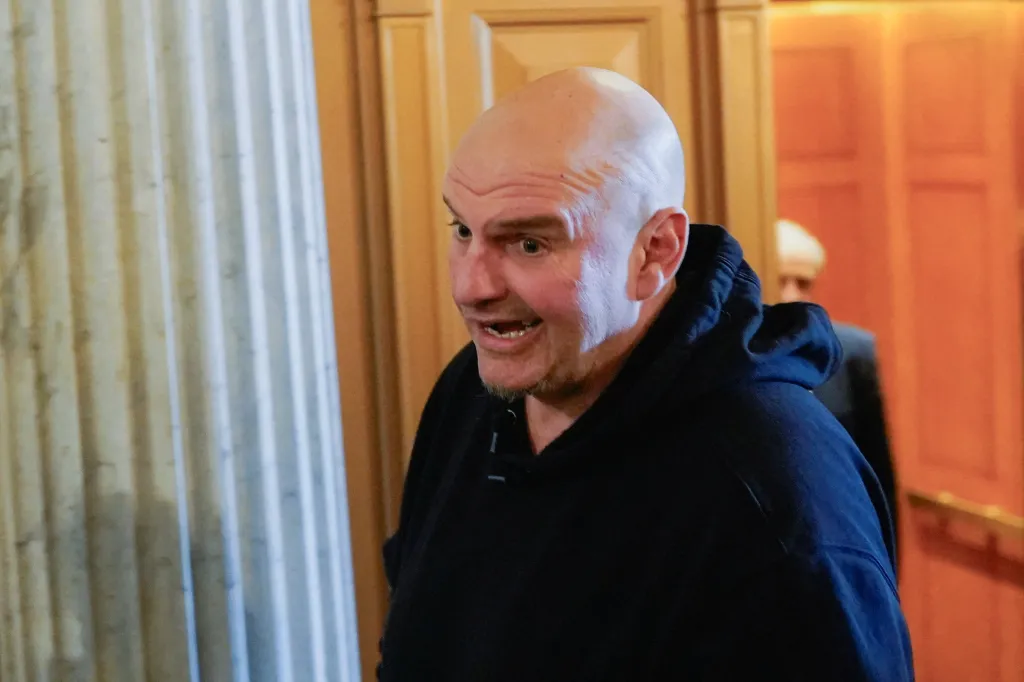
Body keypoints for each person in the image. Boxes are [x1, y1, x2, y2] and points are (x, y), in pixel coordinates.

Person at [377, 68, 913, 681]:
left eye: (529, 244)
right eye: (463, 230)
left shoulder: (779, 506)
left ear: (655, 250)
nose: (472, 287)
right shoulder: (474, 390)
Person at [775, 218, 900, 571]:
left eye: (802, 283)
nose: (790, 295)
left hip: (843, 541)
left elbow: (878, 474)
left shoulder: (852, 350)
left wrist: (888, 570)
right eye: (780, 280)